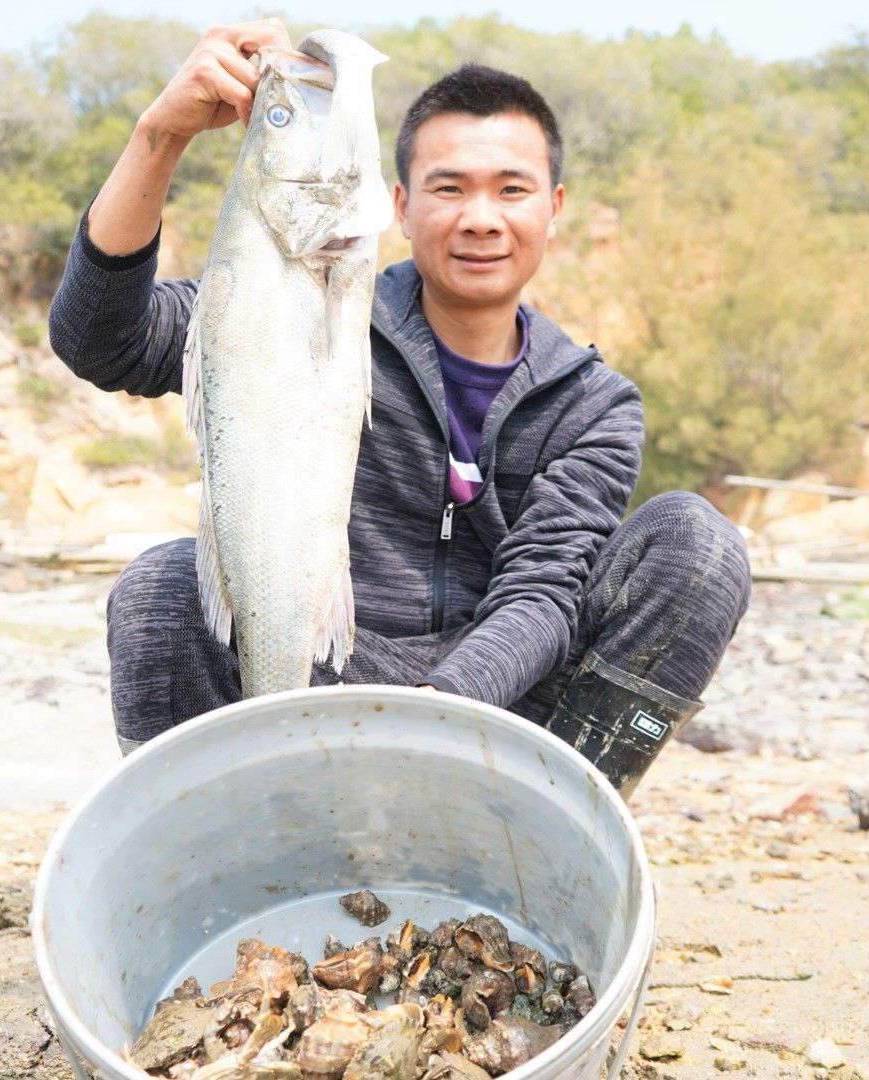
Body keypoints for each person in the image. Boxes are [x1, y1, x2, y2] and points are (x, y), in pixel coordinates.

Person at [48, 19, 751, 796]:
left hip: (506, 703)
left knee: (697, 541)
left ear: (553, 209)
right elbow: (100, 341)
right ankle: (205, 848)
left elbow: (543, 590)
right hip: (329, 672)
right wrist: (160, 135)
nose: (480, 217)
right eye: (449, 188)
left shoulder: (593, 404)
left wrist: (438, 714)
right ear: (399, 206)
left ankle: (559, 827)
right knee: (163, 585)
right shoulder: (280, 301)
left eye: (510, 190)